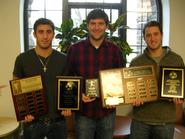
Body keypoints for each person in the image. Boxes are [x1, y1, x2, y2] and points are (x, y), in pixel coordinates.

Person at [64, 9, 124, 139]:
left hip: (107, 112)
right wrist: (77, 95)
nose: (96, 27)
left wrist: (117, 98)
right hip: (84, 114)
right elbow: (67, 77)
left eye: (100, 23)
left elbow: (121, 78)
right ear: (87, 25)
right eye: (93, 23)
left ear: (106, 26)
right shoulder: (75, 49)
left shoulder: (115, 50)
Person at [13, 18, 67, 139]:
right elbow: (17, 89)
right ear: (34, 34)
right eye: (41, 32)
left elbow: (68, 86)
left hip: (58, 120)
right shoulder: (22, 59)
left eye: (48, 32)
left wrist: (68, 106)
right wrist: (23, 111)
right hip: (32, 121)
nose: (45, 36)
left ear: (53, 34)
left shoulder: (63, 59)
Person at [129, 21, 184, 139]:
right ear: (144, 38)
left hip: (165, 120)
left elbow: (183, 85)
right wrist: (133, 98)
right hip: (141, 120)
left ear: (162, 35)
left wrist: (181, 97)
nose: (152, 38)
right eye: (148, 35)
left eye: (156, 34)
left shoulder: (176, 59)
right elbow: (131, 89)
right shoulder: (136, 62)